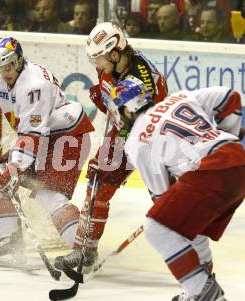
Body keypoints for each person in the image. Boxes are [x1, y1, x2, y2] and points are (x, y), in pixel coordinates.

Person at [104, 78, 245, 301]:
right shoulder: (179, 98)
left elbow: (161, 196)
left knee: (157, 228)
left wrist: (169, 203)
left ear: (126, 109)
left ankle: (203, 291)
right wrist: (225, 133)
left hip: (210, 172)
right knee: (192, 229)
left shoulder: (136, 141)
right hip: (238, 163)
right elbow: (230, 97)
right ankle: (198, 289)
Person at [54, 22, 168, 270]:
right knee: (98, 180)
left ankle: (191, 257)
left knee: (167, 200)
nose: (97, 65)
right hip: (124, 132)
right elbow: (114, 106)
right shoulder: (113, 63)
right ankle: (85, 250)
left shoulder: (142, 81)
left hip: (150, 139)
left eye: (99, 59)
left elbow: (143, 127)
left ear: (115, 53)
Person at [0, 37, 94, 250]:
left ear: (19, 59)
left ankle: (84, 251)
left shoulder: (34, 86)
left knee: (49, 196)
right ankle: (10, 244)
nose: (4, 72)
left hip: (68, 136)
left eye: (9, 66)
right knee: (0, 180)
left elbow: (31, 137)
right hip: (42, 138)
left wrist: (15, 168)